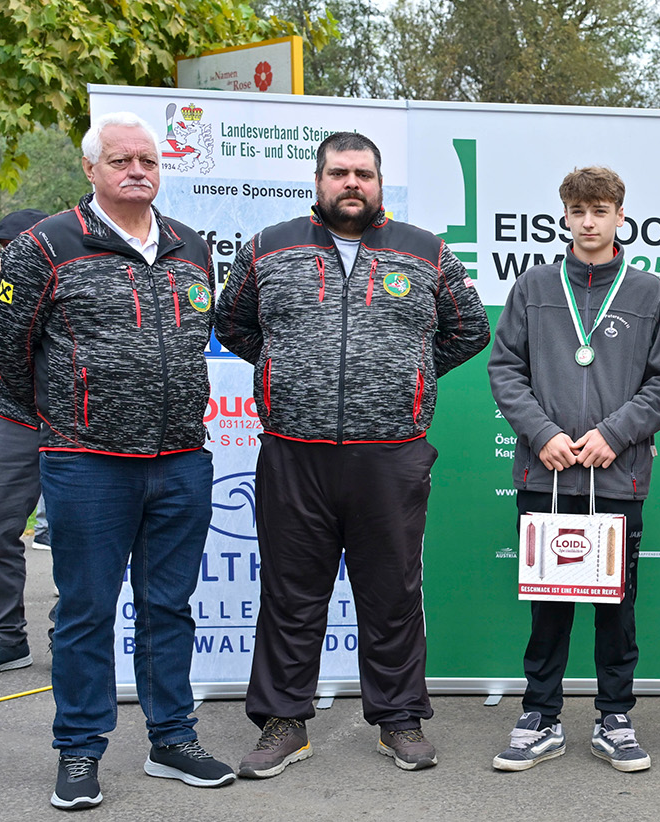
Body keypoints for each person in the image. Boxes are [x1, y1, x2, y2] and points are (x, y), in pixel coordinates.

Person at [215, 131, 490, 778]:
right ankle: (284, 721)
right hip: (292, 452)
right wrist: (288, 373)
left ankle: (397, 717)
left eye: (363, 173)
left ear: (379, 182)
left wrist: (409, 377)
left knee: (392, 591)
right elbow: (233, 323)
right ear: (318, 180)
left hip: (391, 454)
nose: (351, 184)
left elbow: (469, 330)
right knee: (290, 592)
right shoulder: (267, 249)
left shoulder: (425, 253)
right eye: (339, 172)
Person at [0, 112, 234, 810]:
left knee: (168, 607)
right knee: (88, 611)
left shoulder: (191, 246)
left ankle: (172, 738)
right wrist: (70, 419)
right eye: (122, 159)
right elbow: (11, 347)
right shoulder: (47, 243)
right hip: (87, 462)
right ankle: (79, 748)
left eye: (149, 160)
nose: (138, 170)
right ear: (92, 171)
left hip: (183, 459)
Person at [487, 166, 660, 773]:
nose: (589, 221)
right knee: (549, 602)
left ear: (621, 216)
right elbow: (504, 370)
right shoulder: (534, 286)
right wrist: (542, 433)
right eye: (578, 211)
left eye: (601, 210)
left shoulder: (651, 293)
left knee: (616, 605)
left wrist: (614, 435)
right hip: (544, 476)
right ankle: (540, 715)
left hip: (617, 478)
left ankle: (614, 716)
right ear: (564, 217)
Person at [0, 207, 49, 678]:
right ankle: (7, 638)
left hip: (73, 421)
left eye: (13, 249)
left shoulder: (68, 267)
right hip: (13, 415)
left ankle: (74, 636)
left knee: (73, 537)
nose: (3, 257)